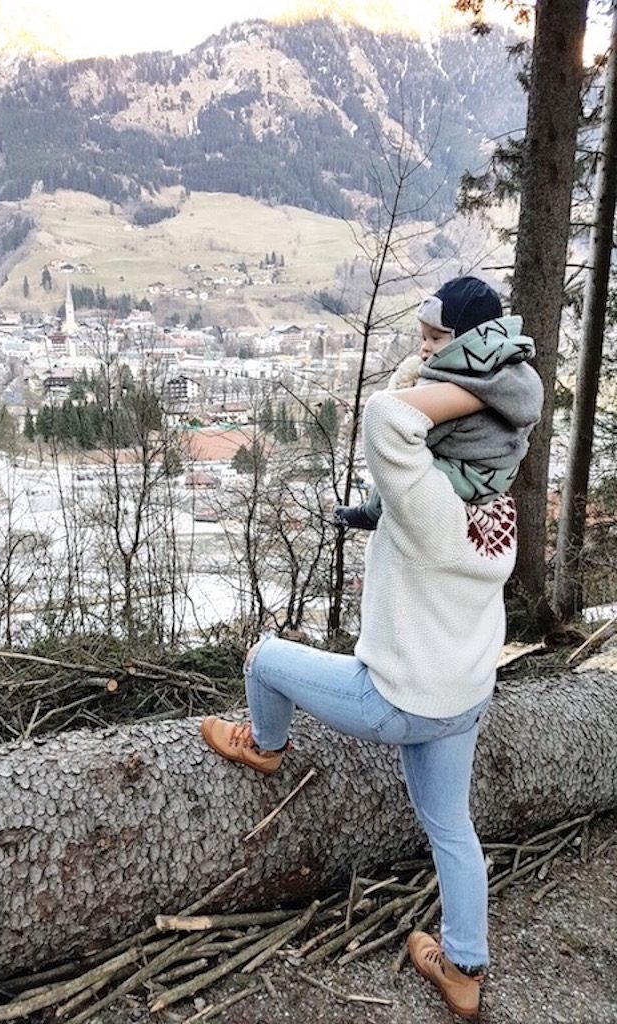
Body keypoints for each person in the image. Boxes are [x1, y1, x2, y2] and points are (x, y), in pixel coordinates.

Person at [200, 371, 535, 1020]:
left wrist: (446, 385)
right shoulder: (496, 506)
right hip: (464, 696)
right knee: (450, 828)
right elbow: (415, 506)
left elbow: (387, 414)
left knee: (264, 657)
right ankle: (465, 966)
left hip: (400, 698)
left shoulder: (427, 499)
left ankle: (265, 746)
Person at [335, 276, 543, 531]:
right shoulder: (502, 374)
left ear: (467, 340)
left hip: (469, 478)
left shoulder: (453, 384)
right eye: (424, 337)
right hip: (498, 474)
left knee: (401, 467)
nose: (424, 348)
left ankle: (372, 512)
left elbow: (407, 438)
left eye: (435, 338)